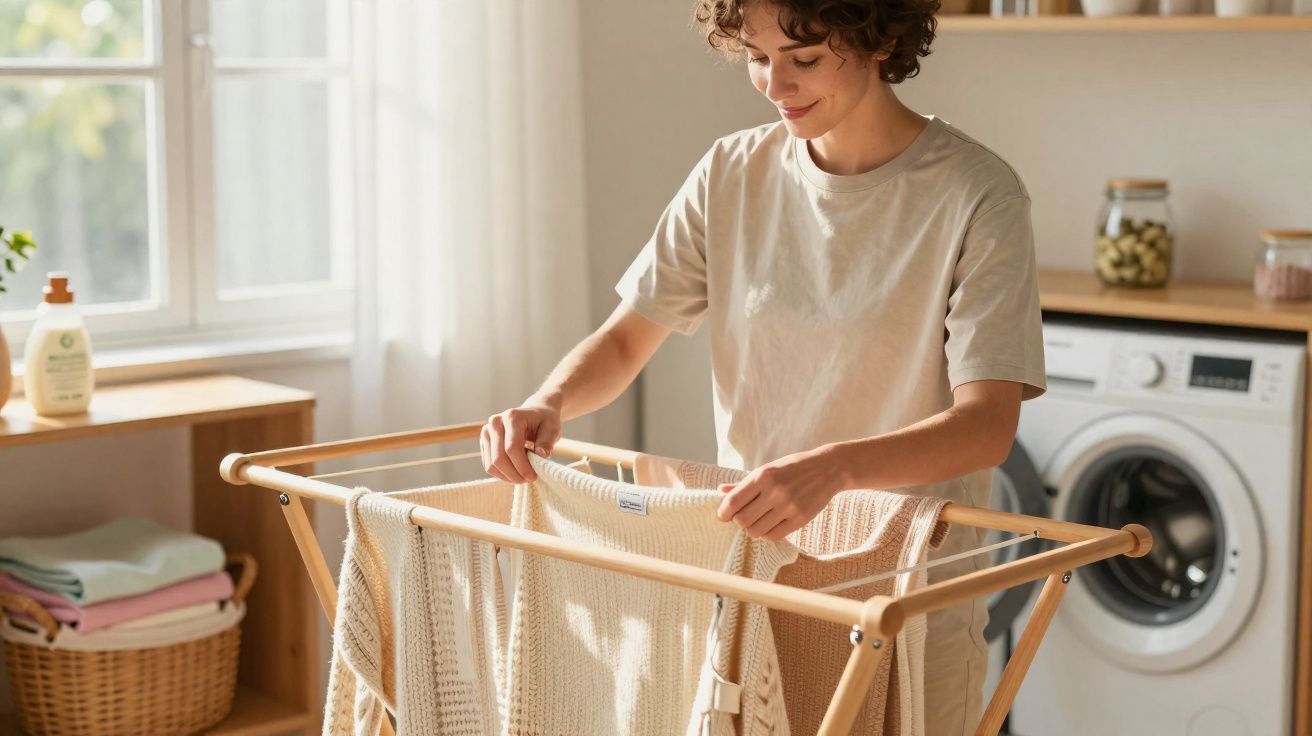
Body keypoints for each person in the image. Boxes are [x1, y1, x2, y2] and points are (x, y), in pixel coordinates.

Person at [480, 0, 1047, 732]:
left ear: (880, 41)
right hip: (754, 585)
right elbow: (626, 342)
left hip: (903, 601)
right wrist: (549, 401)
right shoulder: (729, 173)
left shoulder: (978, 194)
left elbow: (985, 426)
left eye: (803, 59)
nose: (776, 84)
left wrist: (833, 468)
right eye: (757, 56)